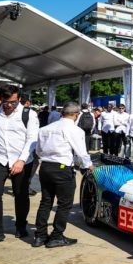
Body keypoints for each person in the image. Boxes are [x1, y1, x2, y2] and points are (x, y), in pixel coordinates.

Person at [33, 102, 93, 248]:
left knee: (45, 201)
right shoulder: (74, 130)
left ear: (62, 113)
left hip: (46, 167)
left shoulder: (45, 129)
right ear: (76, 114)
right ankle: (57, 236)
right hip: (62, 168)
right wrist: (88, 165)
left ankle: (40, 236)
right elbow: (81, 152)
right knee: (64, 204)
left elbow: (38, 151)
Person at [0, 85, 39, 242]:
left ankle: (20, 225)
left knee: (20, 195)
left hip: (22, 160)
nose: (9, 105)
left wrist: (21, 160)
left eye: (13, 102)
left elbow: (32, 139)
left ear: (19, 99)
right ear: (0, 98)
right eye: (6, 101)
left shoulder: (29, 115)